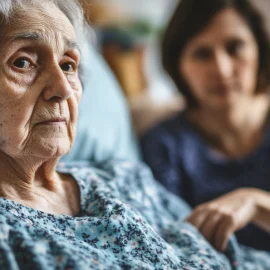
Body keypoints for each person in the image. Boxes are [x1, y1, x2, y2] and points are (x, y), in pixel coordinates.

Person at [0, 0, 270, 269]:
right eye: (23, 62)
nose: (63, 88)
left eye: (68, 65)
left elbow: (230, 253)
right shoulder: (167, 145)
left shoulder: (125, 178)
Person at [140, 0, 270, 252]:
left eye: (235, 47)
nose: (221, 69)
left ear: (260, 50)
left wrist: (255, 202)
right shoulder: (164, 144)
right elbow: (162, 242)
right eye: (202, 53)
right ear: (178, 65)